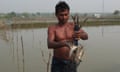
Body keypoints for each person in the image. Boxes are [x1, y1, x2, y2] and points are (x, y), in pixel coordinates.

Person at [47, 1, 88, 72]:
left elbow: (86, 36)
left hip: (71, 62)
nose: (64, 17)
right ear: (56, 15)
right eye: (61, 15)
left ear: (69, 14)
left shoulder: (73, 26)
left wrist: (80, 34)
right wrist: (64, 43)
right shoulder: (53, 28)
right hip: (58, 62)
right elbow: (49, 44)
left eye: (66, 14)